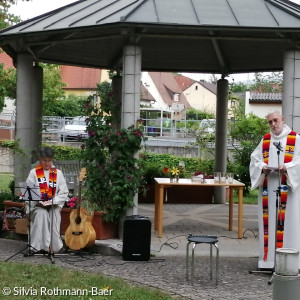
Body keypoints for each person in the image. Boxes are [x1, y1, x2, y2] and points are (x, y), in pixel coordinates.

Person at [250, 111, 300, 269]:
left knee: (289, 225)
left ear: (283, 120)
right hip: (269, 188)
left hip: (289, 191)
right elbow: (255, 160)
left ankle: (290, 262)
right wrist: (262, 168)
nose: (273, 124)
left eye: (275, 120)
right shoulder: (265, 140)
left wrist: (288, 167)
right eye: (270, 122)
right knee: (270, 223)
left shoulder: (295, 138)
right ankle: (269, 262)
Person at [26, 147, 68, 253]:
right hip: (37, 206)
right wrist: (38, 203)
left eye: (50, 161)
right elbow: (29, 193)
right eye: (45, 160)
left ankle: (55, 247)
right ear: (40, 159)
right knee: (42, 214)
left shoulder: (58, 173)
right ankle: (36, 247)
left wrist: (53, 201)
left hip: (53, 205)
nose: (47, 163)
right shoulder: (33, 173)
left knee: (54, 214)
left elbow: (63, 193)